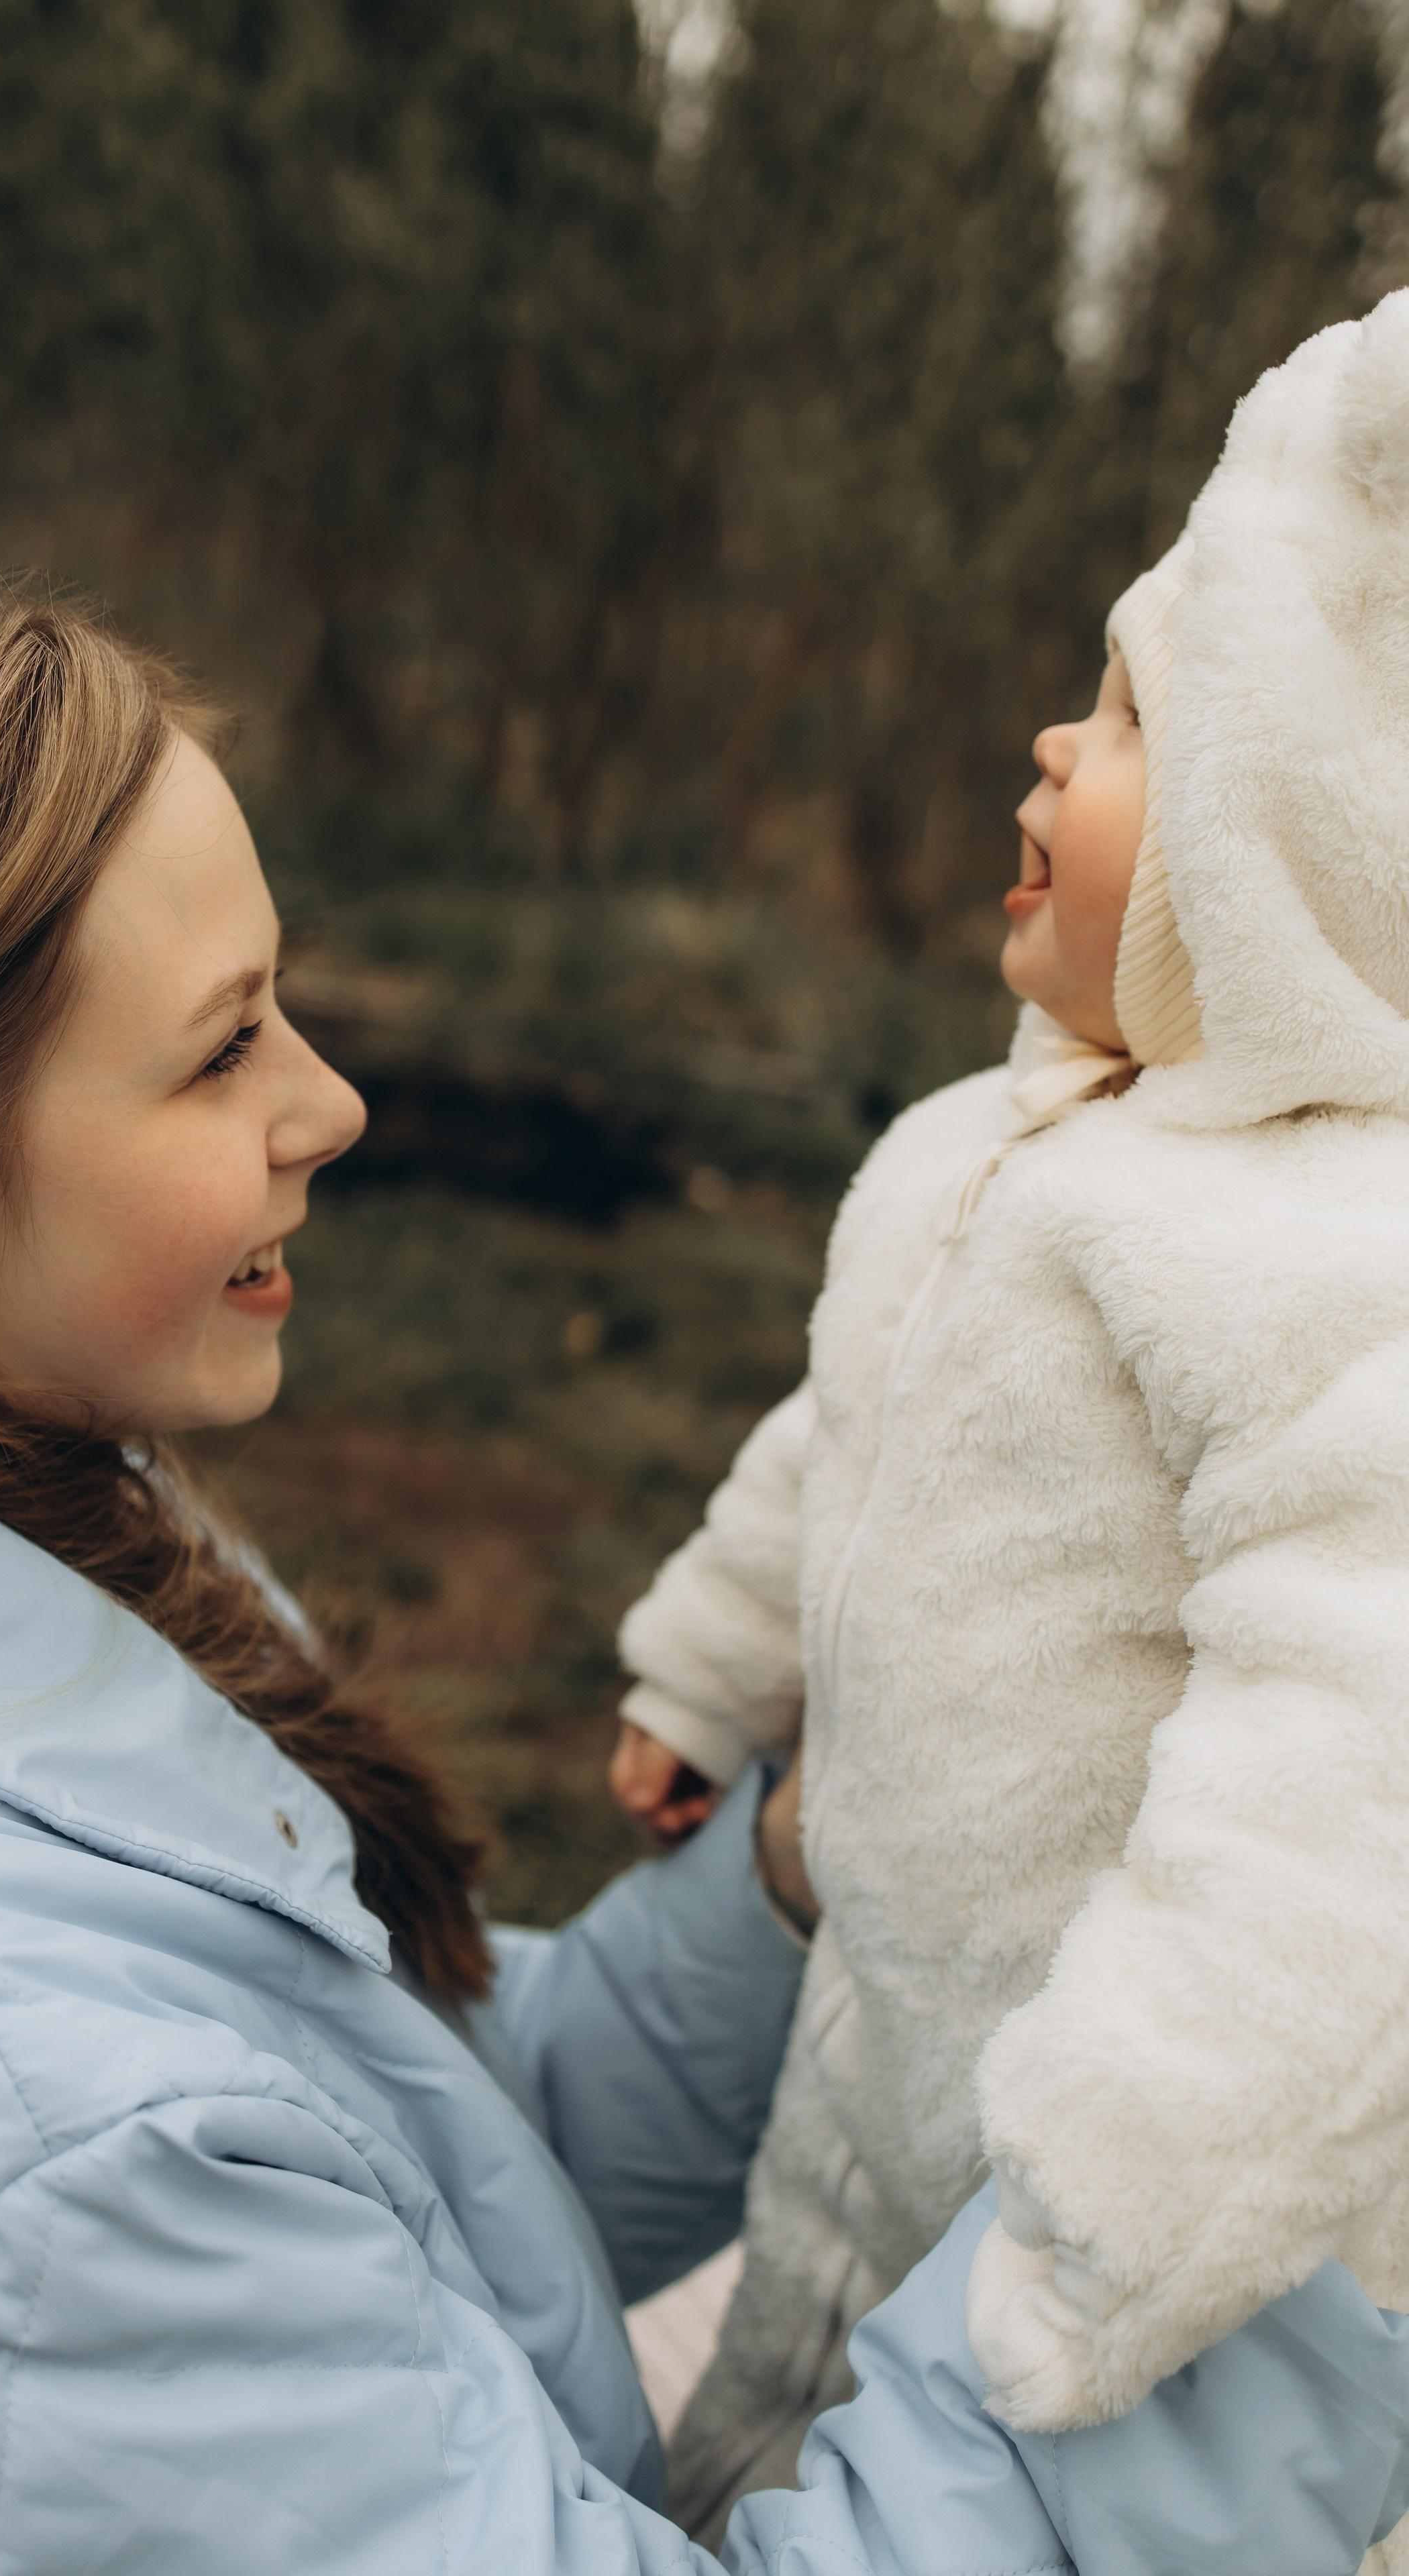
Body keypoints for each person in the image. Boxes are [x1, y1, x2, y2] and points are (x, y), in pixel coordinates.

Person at [0, 569, 1404, 2576]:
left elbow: (421, 2170)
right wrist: (1261, 2235)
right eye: (221, 1048)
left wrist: (815, 1859)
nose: (327, 1104)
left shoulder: (22, 1540)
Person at [610, 290, 1409, 2555]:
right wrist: (711, 1658)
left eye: (1143, 715)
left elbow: (1358, 1781)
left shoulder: (1340, 1258)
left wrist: (1137, 2194)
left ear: (1317, 847)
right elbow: (849, 1428)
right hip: (875, 2038)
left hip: (1117, 2189)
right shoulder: (999, 1135)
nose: (1051, 747)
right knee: (783, 2382)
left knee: (994, 2445)